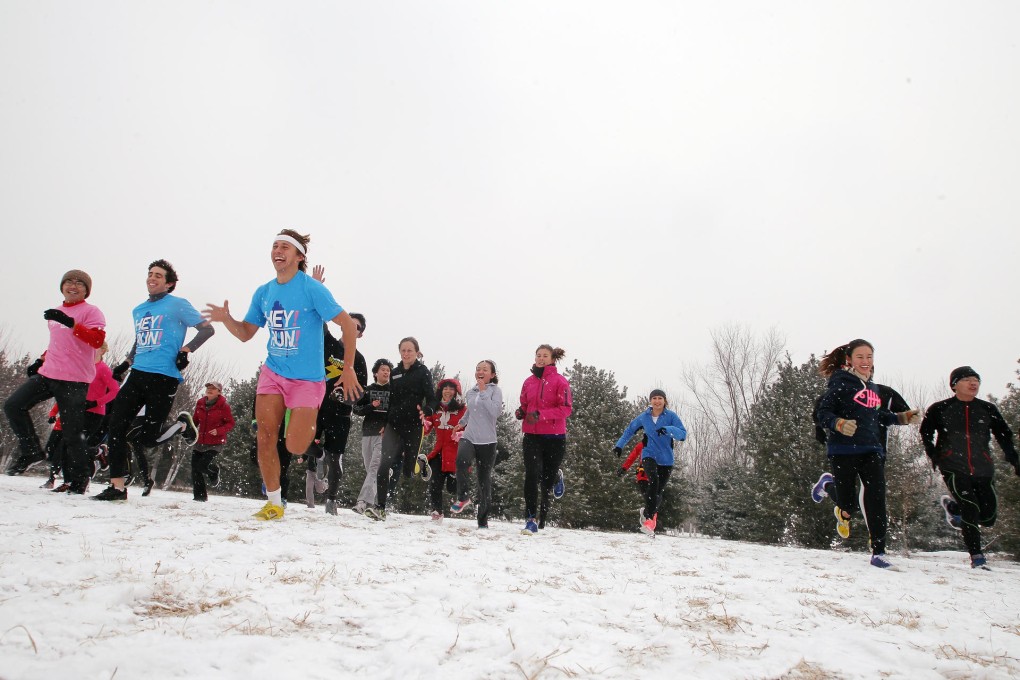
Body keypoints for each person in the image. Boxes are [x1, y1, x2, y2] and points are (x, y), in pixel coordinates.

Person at [203, 230, 363, 521]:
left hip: (308, 380)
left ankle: (312, 441)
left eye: (285, 247)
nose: (278, 250)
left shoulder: (312, 289)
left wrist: (348, 368)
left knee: (295, 445)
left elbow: (348, 327)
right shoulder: (264, 292)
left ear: (299, 256)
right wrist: (228, 320)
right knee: (265, 437)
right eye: (274, 246)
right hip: (274, 372)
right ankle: (274, 503)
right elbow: (245, 334)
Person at [93, 260, 214, 501]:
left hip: (164, 377)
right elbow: (140, 341)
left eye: (158, 275)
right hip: (137, 375)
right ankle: (117, 487)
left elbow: (207, 330)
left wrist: (186, 350)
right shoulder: (138, 310)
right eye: (150, 274)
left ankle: (181, 425)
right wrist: (126, 364)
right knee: (115, 427)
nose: (152, 278)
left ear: (169, 283)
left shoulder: (178, 305)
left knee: (148, 438)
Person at [810, 339, 919, 569]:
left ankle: (879, 552)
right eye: (860, 357)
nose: (865, 361)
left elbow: (878, 417)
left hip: (872, 449)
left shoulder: (873, 389)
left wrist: (901, 418)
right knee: (849, 504)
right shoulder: (839, 385)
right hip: (843, 450)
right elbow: (822, 413)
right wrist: (838, 424)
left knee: (877, 497)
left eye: (869, 357)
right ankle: (828, 485)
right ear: (849, 359)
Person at [4, 270, 106, 494]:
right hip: (49, 373)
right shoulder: (56, 312)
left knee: (71, 433)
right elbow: (58, 344)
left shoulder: (91, 311)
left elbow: (97, 340)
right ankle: (31, 451)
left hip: (74, 380)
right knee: (13, 405)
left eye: (79, 283)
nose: (73, 286)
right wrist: (40, 360)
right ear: (62, 286)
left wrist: (71, 323)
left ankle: (79, 481)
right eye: (69, 281)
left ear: (86, 290)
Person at [920, 366, 1019, 569]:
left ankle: (954, 510)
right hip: (953, 467)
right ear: (955, 385)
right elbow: (926, 432)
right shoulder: (940, 408)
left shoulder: (987, 409)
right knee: (971, 507)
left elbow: (1004, 436)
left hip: (983, 468)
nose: (973, 383)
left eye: (976, 380)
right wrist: (934, 455)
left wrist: (1015, 461)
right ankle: (977, 557)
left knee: (989, 517)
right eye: (967, 379)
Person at [366, 337, 434, 521]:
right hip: (393, 425)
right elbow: (392, 401)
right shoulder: (395, 373)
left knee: (409, 471)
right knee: (384, 465)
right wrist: (384, 423)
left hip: (413, 425)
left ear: (417, 352)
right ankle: (380, 508)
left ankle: (420, 463)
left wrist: (426, 411)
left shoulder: (423, 373)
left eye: (409, 350)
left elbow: (432, 399)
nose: (406, 354)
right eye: (403, 350)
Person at [45, 342, 120, 490]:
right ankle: (69, 481)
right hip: (77, 411)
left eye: (95, 347)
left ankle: (82, 478)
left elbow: (115, 390)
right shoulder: (83, 366)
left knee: (74, 445)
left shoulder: (103, 369)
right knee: (66, 445)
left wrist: (96, 402)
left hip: (94, 413)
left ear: (103, 350)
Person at [614, 390, 687, 535]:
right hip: (649, 455)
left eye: (660, 398)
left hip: (666, 459)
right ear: (650, 401)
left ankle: (648, 515)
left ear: (665, 401)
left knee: (658, 492)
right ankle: (648, 519)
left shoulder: (671, 416)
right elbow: (630, 430)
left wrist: (667, 429)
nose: (657, 401)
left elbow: (682, 434)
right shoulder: (644, 417)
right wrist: (619, 445)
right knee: (653, 481)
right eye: (654, 398)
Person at [517, 344, 572, 535]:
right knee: (531, 475)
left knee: (546, 481)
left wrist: (541, 414)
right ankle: (530, 519)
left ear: (552, 359)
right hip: (531, 436)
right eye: (538, 355)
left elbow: (566, 409)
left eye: (545, 355)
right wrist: (521, 412)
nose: (540, 358)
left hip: (554, 437)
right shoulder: (528, 382)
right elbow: (524, 404)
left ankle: (556, 476)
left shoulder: (560, 381)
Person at [451, 360, 504, 529]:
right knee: (461, 461)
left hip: (488, 441)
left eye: (485, 369)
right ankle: (463, 497)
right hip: (470, 436)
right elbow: (470, 410)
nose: (480, 371)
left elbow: (494, 411)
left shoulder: (496, 391)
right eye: (478, 369)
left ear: (492, 375)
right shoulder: (471, 392)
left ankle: (482, 520)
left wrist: (483, 392)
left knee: (483, 480)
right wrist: (461, 422)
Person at [351, 358, 392, 514]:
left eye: (388, 370)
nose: (386, 372)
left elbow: (396, 412)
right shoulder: (367, 390)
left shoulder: (393, 391)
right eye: (383, 369)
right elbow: (356, 409)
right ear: (376, 373)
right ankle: (385, 475)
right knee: (371, 470)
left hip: (384, 435)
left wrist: (388, 427)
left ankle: (362, 502)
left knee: (374, 469)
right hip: (367, 433)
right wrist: (371, 406)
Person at [422, 378, 466, 522]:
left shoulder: (462, 409)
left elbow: (470, 427)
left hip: (456, 452)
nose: (447, 391)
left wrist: (460, 434)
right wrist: (424, 422)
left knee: (452, 489)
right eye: (445, 388)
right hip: (439, 451)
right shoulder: (434, 408)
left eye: (451, 389)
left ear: (456, 392)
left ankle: (458, 485)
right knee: (435, 484)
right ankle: (436, 511)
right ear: (440, 391)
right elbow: (426, 429)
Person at [190, 381, 236, 502]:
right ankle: (199, 497)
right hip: (199, 441)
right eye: (208, 388)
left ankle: (214, 471)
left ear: (219, 392)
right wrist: (188, 428)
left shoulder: (224, 406)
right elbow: (195, 420)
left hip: (215, 443)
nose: (209, 390)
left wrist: (219, 430)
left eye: (213, 388)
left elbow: (230, 423)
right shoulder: (200, 403)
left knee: (201, 465)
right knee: (195, 468)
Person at [616, 433, 649, 497]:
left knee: (651, 494)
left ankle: (651, 504)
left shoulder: (659, 445)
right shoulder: (642, 445)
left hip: (650, 474)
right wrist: (624, 468)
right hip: (644, 475)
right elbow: (633, 456)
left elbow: (633, 456)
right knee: (648, 494)